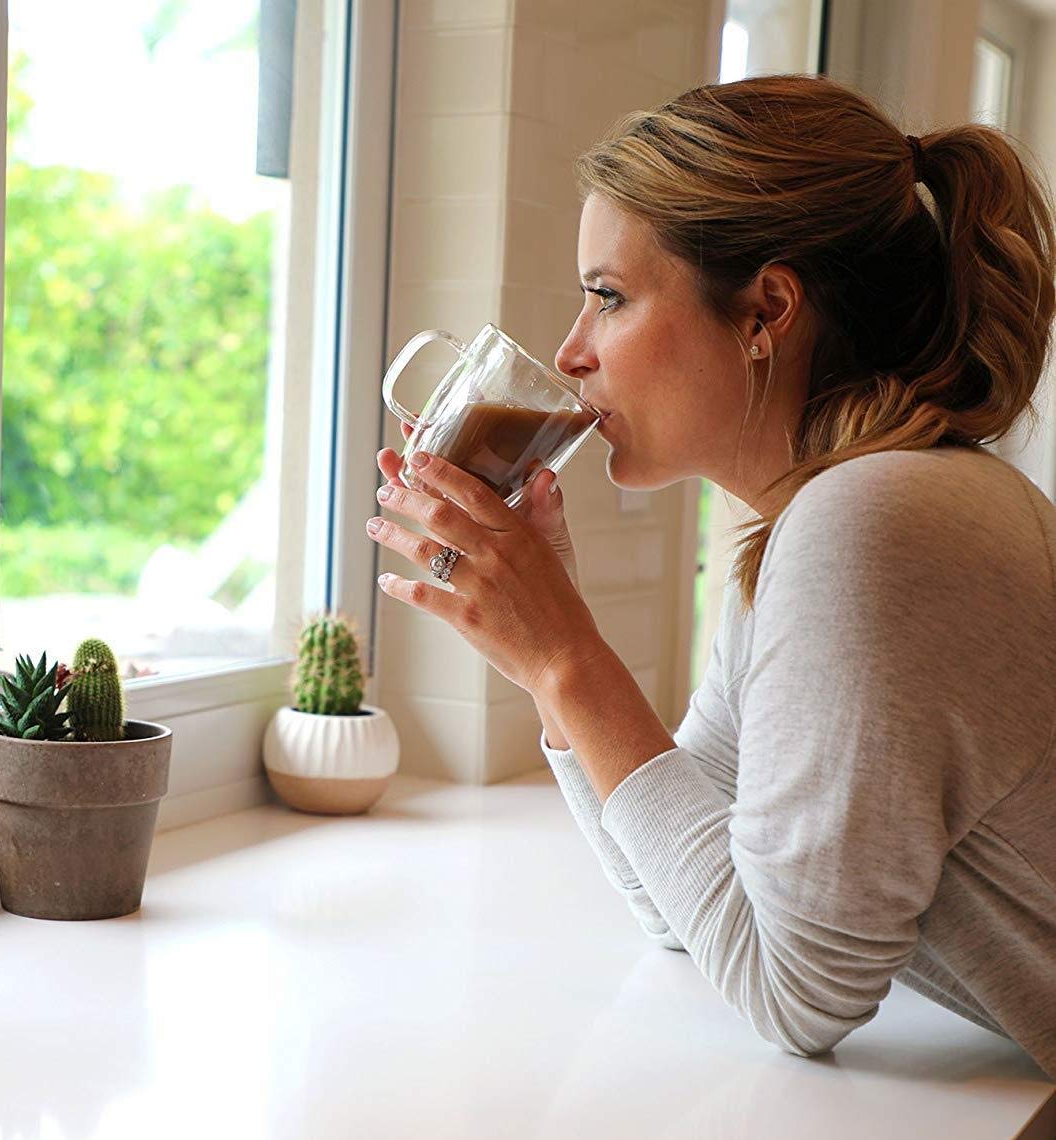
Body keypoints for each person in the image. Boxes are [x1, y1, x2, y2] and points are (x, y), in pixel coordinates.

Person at [366, 73, 1056, 1078]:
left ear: (766, 311)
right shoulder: (816, 521)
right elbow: (684, 906)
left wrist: (568, 660)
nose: (569, 351)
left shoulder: (873, 522)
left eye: (608, 296)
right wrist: (543, 657)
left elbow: (795, 992)